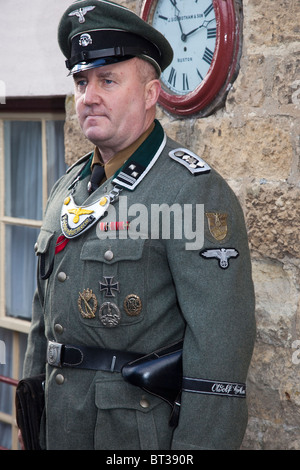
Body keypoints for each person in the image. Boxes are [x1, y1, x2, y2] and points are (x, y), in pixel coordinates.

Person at [22, 0, 256, 450]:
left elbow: (219, 364)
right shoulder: (66, 189)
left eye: (108, 80)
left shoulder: (190, 193)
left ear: (150, 94)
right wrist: (31, 418)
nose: (89, 96)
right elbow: (43, 324)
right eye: (81, 81)